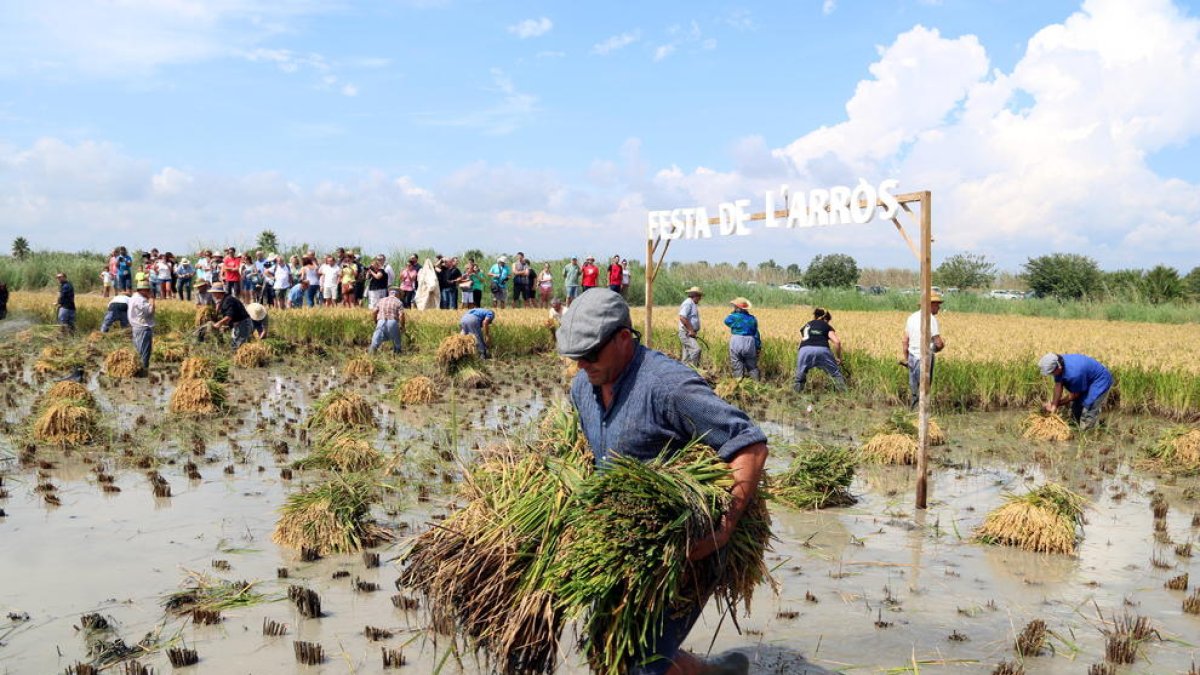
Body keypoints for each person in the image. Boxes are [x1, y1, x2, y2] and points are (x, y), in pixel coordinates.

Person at [555, 289, 765, 675]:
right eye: (575, 356)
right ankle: (718, 672)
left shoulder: (669, 387)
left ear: (622, 338)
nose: (582, 365)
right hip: (623, 546)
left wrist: (724, 528)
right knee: (612, 653)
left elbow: (748, 444)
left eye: (590, 354)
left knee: (643, 662)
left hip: (688, 548)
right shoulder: (583, 387)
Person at [1039, 353, 1113, 430]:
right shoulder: (1058, 363)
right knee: (1076, 411)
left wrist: (1056, 404)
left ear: (1059, 368)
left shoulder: (1074, 374)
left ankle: (1088, 434)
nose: (1051, 375)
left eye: (1051, 373)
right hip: (1086, 378)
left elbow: (1074, 396)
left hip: (1099, 381)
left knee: (1088, 410)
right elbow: (1058, 385)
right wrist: (1053, 405)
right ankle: (1080, 429)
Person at [900, 292, 945, 409]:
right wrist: (939, 347)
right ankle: (923, 420)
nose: (939, 307)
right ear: (929, 305)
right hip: (924, 359)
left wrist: (907, 360)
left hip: (912, 358)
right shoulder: (931, 319)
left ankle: (913, 417)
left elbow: (905, 341)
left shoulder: (911, 317)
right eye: (937, 304)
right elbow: (938, 343)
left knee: (915, 392)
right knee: (924, 391)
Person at [793, 308, 846, 392]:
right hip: (822, 350)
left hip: (804, 350)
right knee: (835, 374)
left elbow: (803, 340)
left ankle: (795, 396)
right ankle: (844, 395)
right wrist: (838, 358)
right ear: (826, 319)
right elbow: (837, 342)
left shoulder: (807, 325)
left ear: (815, 316)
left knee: (799, 376)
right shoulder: (826, 326)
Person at [723, 298, 761, 380]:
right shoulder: (752, 318)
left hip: (736, 340)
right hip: (749, 341)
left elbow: (726, 321)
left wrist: (733, 313)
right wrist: (758, 347)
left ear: (737, 308)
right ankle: (757, 385)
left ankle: (738, 383)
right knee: (752, 366)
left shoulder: (733, 317)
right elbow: (756, 333)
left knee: (736, 363)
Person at [209, 283, 254, 350]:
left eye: (214, 293)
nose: (213, 295)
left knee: (239, 347)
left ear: (218, 292)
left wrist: (218, 324)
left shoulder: (228, 300)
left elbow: (229, 317)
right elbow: (232, 317)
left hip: (243, 324)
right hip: (238, 325)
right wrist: (227, 326)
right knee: (234, 345)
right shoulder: (224, 300)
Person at [369, 287, 406, 354]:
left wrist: (376, 321)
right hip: (393, 322)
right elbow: (402, 315)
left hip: (380, 322)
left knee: (375, 342)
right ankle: (397, 356)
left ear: (389, 293)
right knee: (396, 342)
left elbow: (374, 312)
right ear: (398, 295)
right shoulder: (398, 302)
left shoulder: (381, 300)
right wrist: (402, 326)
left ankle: (370, 356)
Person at [128, 281, 155, 373]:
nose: (149, 292)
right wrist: (152, 299)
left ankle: (138, 367)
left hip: (136, 326)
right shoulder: (140, 300)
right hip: (143, 327)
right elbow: (150, 311)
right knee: (145, 351)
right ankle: (144, 369)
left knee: (138, 349)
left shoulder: (133, 297)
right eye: (147, 290)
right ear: (142, 290)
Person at [677, 286, 703, 367]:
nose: (700, 298)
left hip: (688, 332)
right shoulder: (688, 303)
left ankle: (684, 372)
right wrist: (691, 330)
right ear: (695, 295)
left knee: (686, 356)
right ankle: (693, 370)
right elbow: (682, 317)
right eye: (699, 296)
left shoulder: (692, 303)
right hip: (687, 333)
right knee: (696, 350)